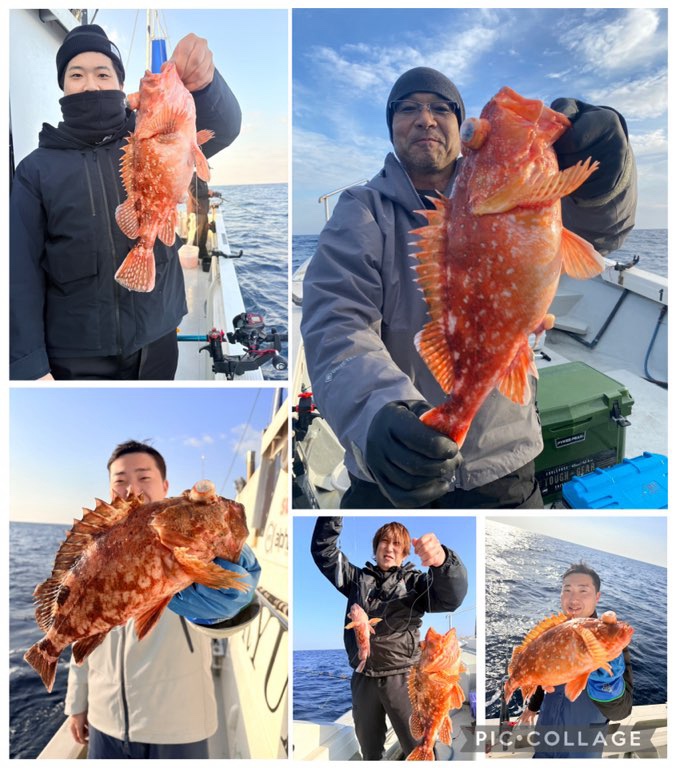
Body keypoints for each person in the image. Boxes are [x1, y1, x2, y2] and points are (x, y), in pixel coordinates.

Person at [301, 66, 637, 509]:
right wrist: (376, 414)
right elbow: (334, 320)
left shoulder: (512, 191)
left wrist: (607, 180)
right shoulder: (362, 210)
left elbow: (603, 232)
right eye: (408, 109)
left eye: (441, 108)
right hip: (392, 466)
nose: (425, 118)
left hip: (503, 463)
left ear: (462, 129)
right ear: (391, 128)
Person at [10, 24, 242, 380]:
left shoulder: (149, 132)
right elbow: (19, 273)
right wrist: (30, 368)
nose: (90, 84)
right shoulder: (35, 170)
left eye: (103, 73)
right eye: (76, 74)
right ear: (63, 85)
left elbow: (223, 128)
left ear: (120, 85)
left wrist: (206, 85)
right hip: (76, 356)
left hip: (158, 336)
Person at [64, 440, 261, 759]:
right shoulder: (96, 547)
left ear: (165, 485)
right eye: (120, 480)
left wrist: (229, 599)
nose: (132, 489)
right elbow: (82, 630)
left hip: (179, 727)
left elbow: (225, 619)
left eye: (144, 477)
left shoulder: (187, 531)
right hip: (104, 723)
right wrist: (77, 704)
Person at [311, 517, 468, 760]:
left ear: (405, 553)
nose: (390, 547)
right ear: (375, 548)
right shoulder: (355, 580)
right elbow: (324, 552)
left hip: (403, 678)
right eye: (384, 541)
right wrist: (332, 515)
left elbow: (450, 598)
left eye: (397, 544)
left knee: (419, 742)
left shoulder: (415, 583)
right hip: (363, 677)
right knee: (369, 749)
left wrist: (443, 561)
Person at [516, 563, 633, 759]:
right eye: (567, 590)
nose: (573, 598)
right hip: (544, 741)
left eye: (583, 590)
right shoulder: (552, 634)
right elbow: (542, 675)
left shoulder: (612, 647)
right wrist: (532, 708)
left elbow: (622, 711)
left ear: (597, 597)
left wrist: (606, 682)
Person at [187, 172, 214, 264]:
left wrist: (212, 194)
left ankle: (202, 254)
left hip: (204, 211)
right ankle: (195, 258)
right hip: (197, 211)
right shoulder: (192, 178)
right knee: (197, 235)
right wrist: (207, 192)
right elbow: (194, 192)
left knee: (204, 233)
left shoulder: (203, 180)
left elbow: (202, 194)